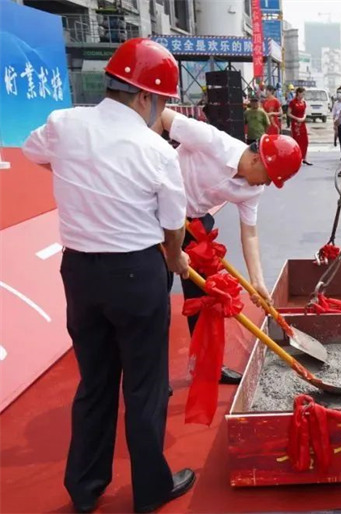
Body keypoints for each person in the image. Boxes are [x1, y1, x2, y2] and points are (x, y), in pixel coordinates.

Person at [21, 38, 194, 513]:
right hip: (137, 272)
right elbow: (173, 223)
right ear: (144, 97)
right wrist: (175, 257)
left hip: (80, 271)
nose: (157, 111)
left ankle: (84, 487)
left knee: (94, 381)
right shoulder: (155, 150)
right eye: (159, 102)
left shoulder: (64, 124)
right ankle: (150, 490)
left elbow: (35, 153)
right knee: (145, 385)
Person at [155, 108, 302, 386]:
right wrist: (152, 156)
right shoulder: (211, 140)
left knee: (205, 298)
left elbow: (250, 234)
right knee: (155, 293)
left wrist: (257, 282)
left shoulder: (252, 189)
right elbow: (161, 115)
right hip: (156, 214)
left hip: (194, 221)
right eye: (270, 177)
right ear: (258, 160)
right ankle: (153, 377)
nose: (268, 185)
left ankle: (206, 366)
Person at [287, 87, 311, 165]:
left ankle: (304, 158)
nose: (303, 95)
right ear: (298, 93)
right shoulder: (293, 102)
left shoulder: (303, 102)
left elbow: (304, 112)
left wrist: (303, 118)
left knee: (305, 141)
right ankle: (297, 158)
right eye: (302, 93)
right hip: (295, 124)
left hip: (302, 123)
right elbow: (288, 113)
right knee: (297, 141)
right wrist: (296, 118)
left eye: (304, 94)